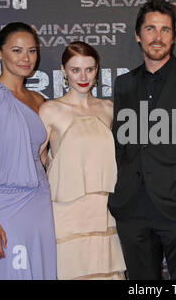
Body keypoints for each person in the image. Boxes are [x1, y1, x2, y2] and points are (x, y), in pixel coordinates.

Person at [108, 0, 176, 279]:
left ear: (174, 35)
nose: (157, 37)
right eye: (150, 29)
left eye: (165, 30)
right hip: (132, 207)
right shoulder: (124, 85)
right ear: (137, 34)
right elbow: (120, 144)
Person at [0, 22, 56, 279]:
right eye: (16, 50)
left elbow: (41, 157)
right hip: (5, 206)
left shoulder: (39, 101)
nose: (26, 58)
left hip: (40, 203)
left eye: (31, 51)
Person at [39, 41, 126, 280]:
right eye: (75, 69)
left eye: (89, 69)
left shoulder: (108, 108)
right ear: (64, 70)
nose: (83, 76)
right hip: (65, 211)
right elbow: (38, 158)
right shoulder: (50, 110)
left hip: (102, 209)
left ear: (97, 69)